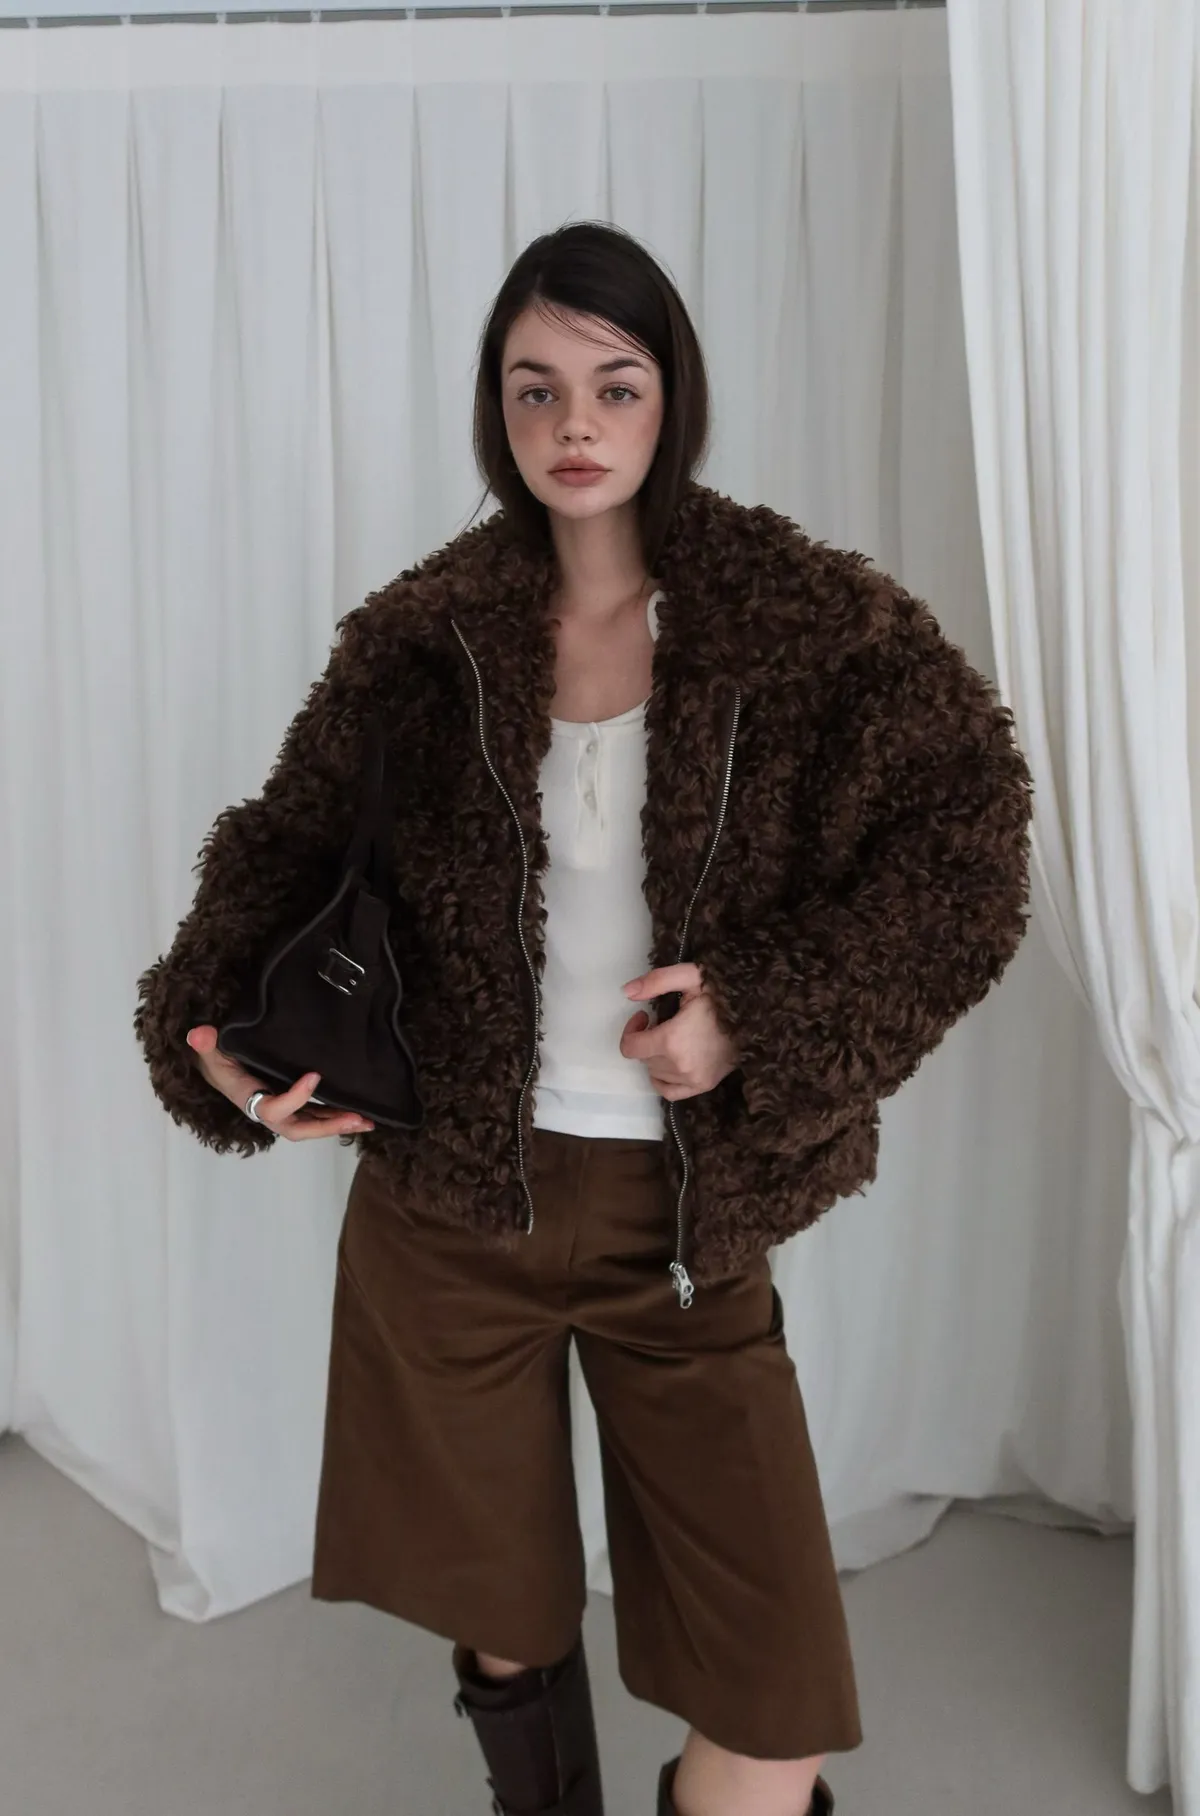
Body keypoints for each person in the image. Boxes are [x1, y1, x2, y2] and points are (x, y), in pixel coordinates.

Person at [134, 220, 1034, 1816]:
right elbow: (283, 842)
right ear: (496, 408)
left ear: (672, 396)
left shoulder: (801, 622)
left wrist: (756, 1013)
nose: (574, 425)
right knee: (505, 1614)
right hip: (447, 1209)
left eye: (614, 385)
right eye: (534, 387)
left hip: (681, 1217)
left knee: (774, 1703)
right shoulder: (424, 636)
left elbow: (969, 847)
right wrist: (221, 1044)